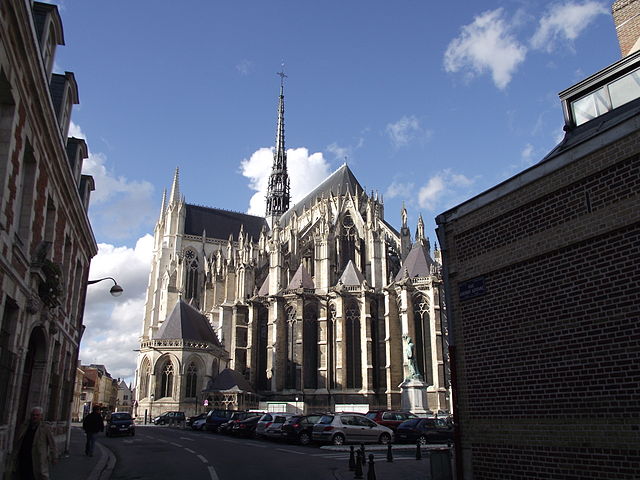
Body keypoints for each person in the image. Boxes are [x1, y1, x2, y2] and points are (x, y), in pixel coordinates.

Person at [12, 406, 57, 480]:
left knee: (38, 475)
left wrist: (54, 456)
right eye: (33, 415)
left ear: (41, 416)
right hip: (24, 456)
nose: (35, 417)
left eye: (37, 415)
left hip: (38, 457)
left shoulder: (45, 428)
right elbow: (18, 439)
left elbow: (52, 443)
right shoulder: (25, 425)